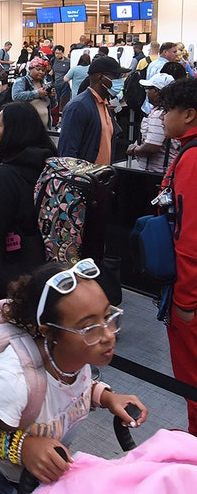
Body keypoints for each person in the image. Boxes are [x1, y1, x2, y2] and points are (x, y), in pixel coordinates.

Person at [0, 260, 147, 492]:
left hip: (29, 480)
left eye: (107, 316)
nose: (107, 335)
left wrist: (105, 397)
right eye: (89, 327)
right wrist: (21, 448)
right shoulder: (12, 381)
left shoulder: (74, 356)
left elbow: (64, 384)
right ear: (50, 332)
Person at [0, 102, 56, 300]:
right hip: (43, 267)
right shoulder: (48, 164)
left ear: (14, 131)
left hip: (9, 274)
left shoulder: (4, 175)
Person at [155, 78, 197, 435]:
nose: (162, 116)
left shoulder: (193, 158)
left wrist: (185, 299)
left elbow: (190, 238)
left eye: (167, 110)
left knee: (191, 377)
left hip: (190, 292)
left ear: (188, 114)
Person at [58, 56, 129, 164]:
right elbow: (68, 153)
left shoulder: (104, 103)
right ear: (101, 78)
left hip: (101, 177)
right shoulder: (78, 107)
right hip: (85, 178)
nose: (120, 81)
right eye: (116, 76)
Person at [126, 73, 179, 172]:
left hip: (156, 172)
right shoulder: (171, 111)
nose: (147, 93)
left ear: (157, 91)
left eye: (148, 89)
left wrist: (134, 149)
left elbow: (152, 146)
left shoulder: (159, 115)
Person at [12, 57, 55, 127]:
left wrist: (52, 96)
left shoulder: (45, 83)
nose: (41, 72)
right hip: (25, 125)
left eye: (43, 70)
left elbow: (51, 106)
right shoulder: (21, 81)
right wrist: (37, 93)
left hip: (43, 127)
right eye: (38, 69)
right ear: (30, 69)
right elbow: (16, 96)